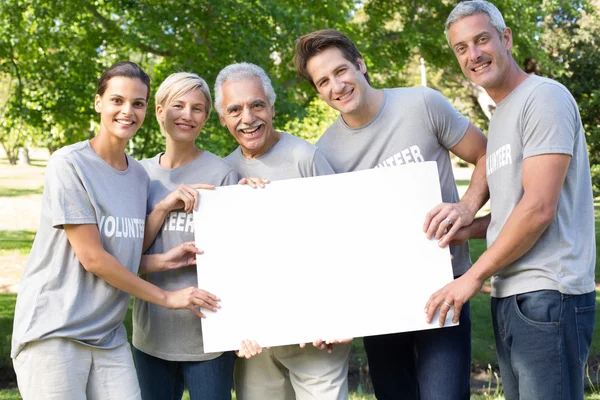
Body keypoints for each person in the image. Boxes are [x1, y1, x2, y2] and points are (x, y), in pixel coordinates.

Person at [294, 30, 489, 399]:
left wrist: (466, 209)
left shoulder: (423, 104)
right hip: (379, 301)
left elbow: (485, 155)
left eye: (341, 71)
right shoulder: (325, 153)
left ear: (361, 64)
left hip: (445, 287)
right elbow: (335, 238)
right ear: (318, 91)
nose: (336, 85)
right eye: (323, 81)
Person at [11, 62, 220, 400]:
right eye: (117, 100)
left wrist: (163, 259)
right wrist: (167, 298)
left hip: (108, 338)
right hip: (55, 333)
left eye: (137, 103)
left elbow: (120, 257)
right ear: (99, 103)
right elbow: (93, 259)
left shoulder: (139, 176)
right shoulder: (69, 164)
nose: (128, 111)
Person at [424, 2, 596, 399]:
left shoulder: (543, 98)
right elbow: (512, 210)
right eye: (461, 48)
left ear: (505, 38)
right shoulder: (500, 116)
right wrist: (464, 230)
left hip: (550, 295)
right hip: (514, 298)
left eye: (481, 39)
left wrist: (473, 277)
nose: (473, 54)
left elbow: (538, 209)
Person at [214, 62, 351, 400]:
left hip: (316, 336)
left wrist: (340, 313)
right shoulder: (224, 170)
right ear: (222, 118)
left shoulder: (306, 157)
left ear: (272, 108)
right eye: (235, 109)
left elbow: (345, 236)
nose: (248, 118)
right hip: (256, 345)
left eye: (256, 105)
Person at [132, 72, 239, 400]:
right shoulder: (138, 174)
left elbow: (238, 256)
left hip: (208, 336)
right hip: (151, 336)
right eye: (178, 105)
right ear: (160, 111)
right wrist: (163, 206)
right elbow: (127, 257)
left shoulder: (222, 173)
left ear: (207, 117)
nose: (187, 115)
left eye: (197, 108)